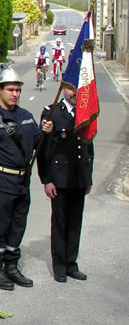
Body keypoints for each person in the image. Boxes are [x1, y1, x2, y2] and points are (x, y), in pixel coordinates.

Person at [0, 68, 52, 290]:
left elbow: (39, 145)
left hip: (22, 182)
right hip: (1, 181)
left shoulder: (26, 117)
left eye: (17, 90)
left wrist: (45, 132)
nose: (14, 94)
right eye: (10, 89)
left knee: (18, 225)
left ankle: (12, 266)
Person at [38, 86, 93, 282]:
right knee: (60, 223)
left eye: (77, 88)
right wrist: (47, 179)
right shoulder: (52, 113)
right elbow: (43, 150)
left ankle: (71, 264)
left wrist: (88, 177)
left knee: (75, 223)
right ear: (63, 90)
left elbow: (88, 147)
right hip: (59, 179)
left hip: (78, 178)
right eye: (70, 89)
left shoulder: (85, 112)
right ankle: (60, 266)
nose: (74, 93)